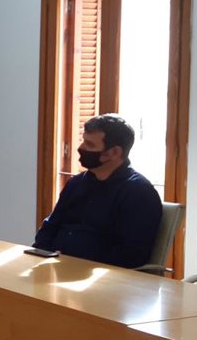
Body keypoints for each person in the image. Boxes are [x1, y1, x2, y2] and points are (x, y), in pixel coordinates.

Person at [33, 114, 162, 268]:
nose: (80, 148)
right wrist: (41, 255)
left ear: (114, 152)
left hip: (101, 276)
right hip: (56, 267)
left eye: (90, 144)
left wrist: (75, 263)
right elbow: (50, 227)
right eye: (83, 140)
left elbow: (132, 254)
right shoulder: (76, 183)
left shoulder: (139, 193)